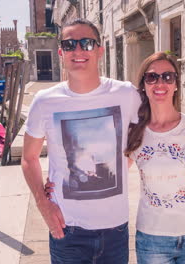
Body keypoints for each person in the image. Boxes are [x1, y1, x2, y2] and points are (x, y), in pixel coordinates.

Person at [46, 52, 185, 264]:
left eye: (168, 77)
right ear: (144, 85)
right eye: (152, 77)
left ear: (176, 84)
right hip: (151, 239)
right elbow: (109, 173)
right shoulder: (136, 133)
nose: (160, 83)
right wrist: (58, 182)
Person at [21, 18, 141, 264]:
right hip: (67, 228)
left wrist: (120, 163)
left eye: (86, 43)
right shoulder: (45, 101)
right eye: (70, 44)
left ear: (99, 50)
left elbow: (146, 134)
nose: (78, 50)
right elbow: (28, 158)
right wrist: (43, 203)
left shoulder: (126, 94)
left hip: (115, 228)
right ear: (61, 52)